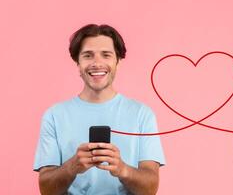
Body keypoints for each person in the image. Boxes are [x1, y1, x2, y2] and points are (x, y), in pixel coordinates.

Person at [33, 24, 165, 195]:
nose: (97, 63)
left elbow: (151, 187)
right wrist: (73, 166)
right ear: (78, 63)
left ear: (118, 61)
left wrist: (122, 169)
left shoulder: (142, 114)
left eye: (106, 55)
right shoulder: (54, 116)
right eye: (88, 56)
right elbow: (46, 189)